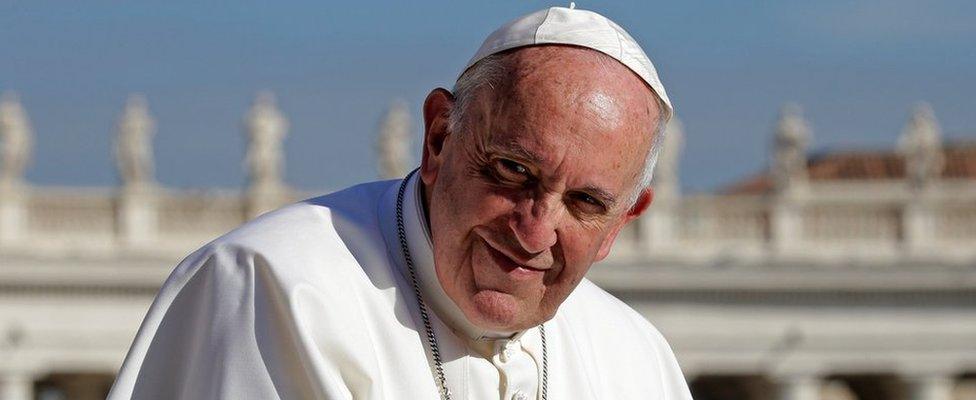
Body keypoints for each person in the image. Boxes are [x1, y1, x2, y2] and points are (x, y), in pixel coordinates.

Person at [108, 5, 692, 400]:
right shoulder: (274, 289)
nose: (534, 232)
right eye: (514, 171)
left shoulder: (637, 360)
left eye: (586, 202)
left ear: (622, 222)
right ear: (438, 139)